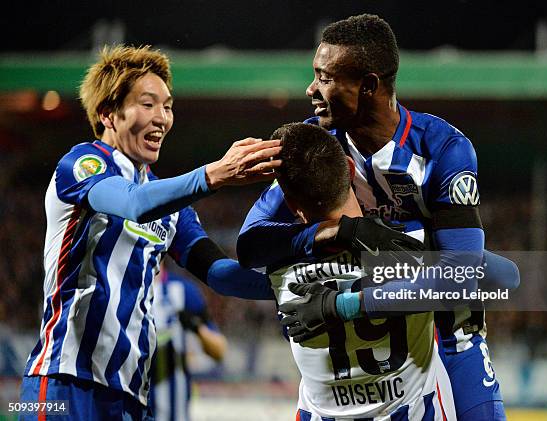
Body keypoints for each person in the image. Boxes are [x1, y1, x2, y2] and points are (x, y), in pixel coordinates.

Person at [238, 15, 516, 421]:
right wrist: (336, 231)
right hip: (374, 359)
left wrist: (343, 305)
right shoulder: (319, 146)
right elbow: (252, 243)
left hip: (449, 340)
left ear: (368, 86)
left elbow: (463, 276)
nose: (310, 89)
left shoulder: (443, 149)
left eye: (324, 77)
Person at [19, 45, 277, 420]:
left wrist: (293, 285)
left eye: (168, 106)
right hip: (63, 384)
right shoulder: (82, 164)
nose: (162, 118)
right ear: (108, 113)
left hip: (131, 398)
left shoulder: (173, 209)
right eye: (148, 104)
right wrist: (213, 174)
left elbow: (220, 274)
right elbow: (134, 203)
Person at [269, 122, 456, 420]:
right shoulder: (412, 245)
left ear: (292, 205)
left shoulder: (280, 269)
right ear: (350, 168)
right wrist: (346, 305)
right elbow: (499, 275)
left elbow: (223, 276)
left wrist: (339, 305)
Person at [150, 263, 226, 421]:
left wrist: (196, 327)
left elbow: (220, 350)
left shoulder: (184, 291)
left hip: (174, 411)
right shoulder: (123, 290)